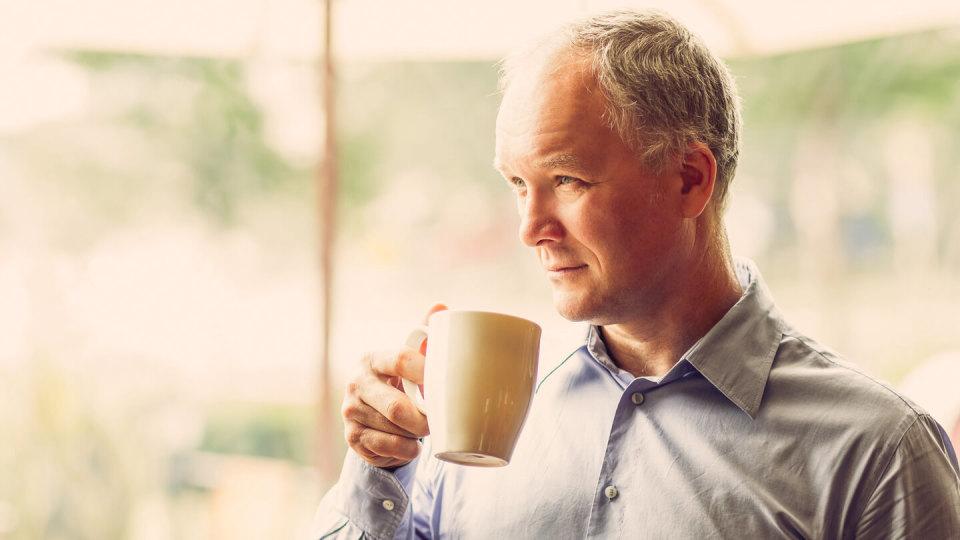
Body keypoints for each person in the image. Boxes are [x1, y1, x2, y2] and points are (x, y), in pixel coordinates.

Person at [312, 10, 960, 539]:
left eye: (566, 180)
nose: (530, 228)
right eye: (517, 185)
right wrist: (378, 469)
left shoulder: (878, 453)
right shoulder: (471, 421)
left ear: (689, 178)